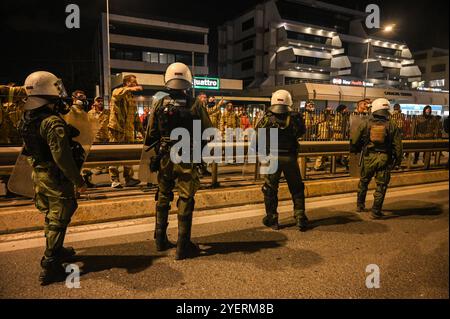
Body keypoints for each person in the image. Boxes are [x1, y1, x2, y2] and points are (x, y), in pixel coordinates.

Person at [18, 71, 87, 285]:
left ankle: (57, 250)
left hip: (38, 173)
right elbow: (62, 158)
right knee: (61, 214)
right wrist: (78, 181)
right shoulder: (51, 123)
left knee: (51, 214)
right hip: (54, 176)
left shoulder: (27, 118)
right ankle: (50, 263)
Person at [145, 62, 213, 260]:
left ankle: (160, 239)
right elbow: (208, 132)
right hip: (187, 155)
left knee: (163, 194)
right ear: (188, 81)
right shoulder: (195, 103)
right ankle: (183, 246)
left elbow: (150, 134)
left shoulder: (159, 102)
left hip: (165, 155)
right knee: (186, 197)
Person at [257, 90, 308, 231]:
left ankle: (272, 219)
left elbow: (258, 136)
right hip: (290, 158)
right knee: (297, 188)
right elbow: (302, 131)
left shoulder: (267, 118)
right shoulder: (296, 117)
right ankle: (300, 217)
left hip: (272, 158)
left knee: (270, 190)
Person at [351, 98, 403, 219]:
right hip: (384, 158)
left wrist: (358, 149)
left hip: (369, 157)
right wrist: (398, 160)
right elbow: (398, 146)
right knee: (381, 185)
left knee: (364, 182)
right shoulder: (392, 125)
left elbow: (354, 141)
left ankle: (360, 205)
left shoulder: (366, 123)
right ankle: (376, 211)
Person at [108, 74, 142, 188]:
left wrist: (142, 131)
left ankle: (129, 179)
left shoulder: (131, 97)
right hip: (117, 129)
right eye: (133, 82)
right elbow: (116, 94)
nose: (135, 84)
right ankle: (115, 179)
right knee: (114, 155)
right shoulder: (118, 92)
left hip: (129, 130)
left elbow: (135, 117)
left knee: (129, 155)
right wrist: (130, 89)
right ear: (126, 83)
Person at [87, 96, 110, 175]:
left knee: (106, 152)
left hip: (106, 135)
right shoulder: (90, 113)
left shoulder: (107, 112)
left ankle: (106, 167)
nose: (100, 102)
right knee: (97, 153)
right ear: (94, 102)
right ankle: (98, 167)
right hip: (95, 136)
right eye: (98, 101)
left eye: (101, 101)